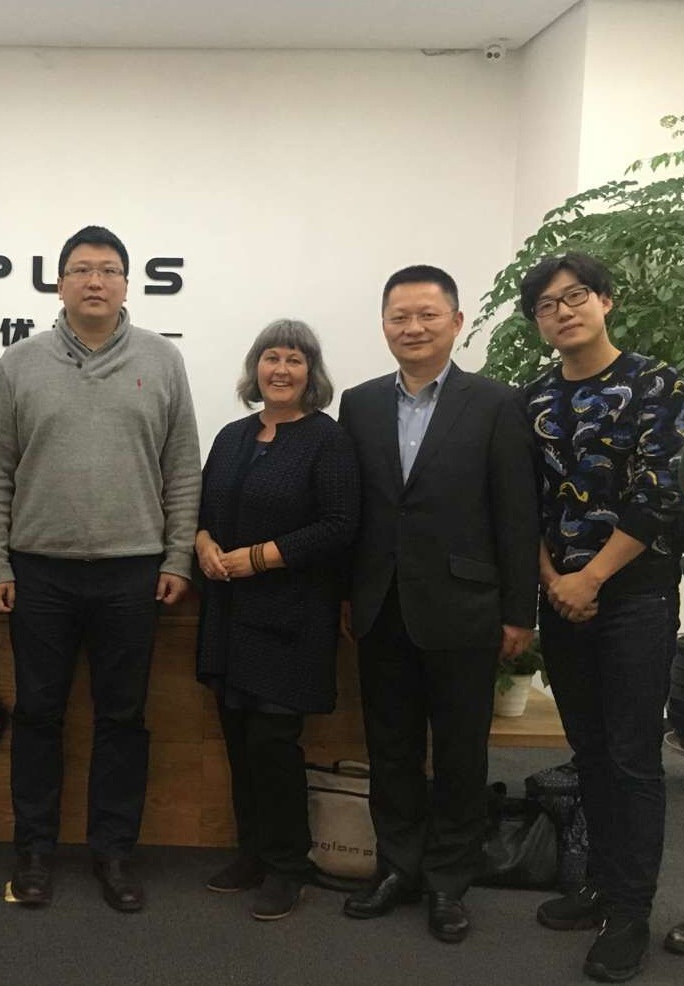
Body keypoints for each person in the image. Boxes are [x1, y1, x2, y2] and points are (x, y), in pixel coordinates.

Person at [0, 225, 201, 912]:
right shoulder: (20, 363)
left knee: (122, 718)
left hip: (132, 572)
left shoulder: (162, 360)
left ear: (127, 284)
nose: (94, 281)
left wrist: (177, 554)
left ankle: (114, 851)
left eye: (107, 270)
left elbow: (181, 469)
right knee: (38, 715)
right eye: (80, 269)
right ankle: (34, 851)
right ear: (59, 283)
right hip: (38, 571)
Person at [337, 264, 538, 943]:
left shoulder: (496, 403)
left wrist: (519, 611)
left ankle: (449, 881)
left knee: (459, 754)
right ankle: (396, 867)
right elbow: (357, 511)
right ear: (383, 325)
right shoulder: (360, 403)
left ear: (455, 321)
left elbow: (516, 514)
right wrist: (348, 593)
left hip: (465, 606)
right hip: (381, 604)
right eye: (399, 316)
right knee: (390, 749)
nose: (412, 327)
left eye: (427, 314)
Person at [519, 252, 684, 982]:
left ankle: (629, 911)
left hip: (633, 596)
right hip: (562, 595)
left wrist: (590, 577)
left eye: (575, 296)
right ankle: (597, 884)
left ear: (606, 300)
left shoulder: (658, 384)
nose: (562, 311)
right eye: (546, 305)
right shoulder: (532, 399)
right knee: (587, 752)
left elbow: (659, 493)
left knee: (632, 758)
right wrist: (554, 580)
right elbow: (525, 502)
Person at [194, 319, 359, 920]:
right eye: (271, 358)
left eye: (294, 359)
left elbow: (340, 525)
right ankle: (253, 853)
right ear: (255, 368)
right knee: (239, 741)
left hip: (291, 617)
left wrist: (261, 557)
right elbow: (204, 509)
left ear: (311, 373)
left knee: (273, 744)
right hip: (229, 613)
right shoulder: (233, 435)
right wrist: (203, 543)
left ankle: (288, 865)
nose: (281, 370)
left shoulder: (327, 439)